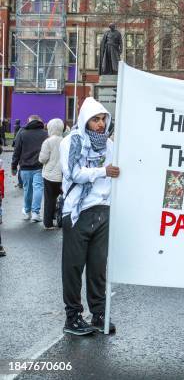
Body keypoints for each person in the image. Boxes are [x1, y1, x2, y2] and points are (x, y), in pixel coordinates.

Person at [60, 97, 120, 335]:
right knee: (73, 267)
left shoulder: (110, 145)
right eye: (95, 119)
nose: (100, 124)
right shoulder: (71, 141)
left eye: (103, 119)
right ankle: (72, 317)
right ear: (85, 120)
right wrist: (101, 171)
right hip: (77, 210)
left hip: (103, 210)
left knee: (98, 267)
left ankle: (98, 313)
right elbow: (73, 172)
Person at [11, 115, 47, 222]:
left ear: (29, 122)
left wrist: (14, 166)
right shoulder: (45, 134)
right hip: (39, 166)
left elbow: (17, 151)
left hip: (25, 167)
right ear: (39, 121)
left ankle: (27, 212)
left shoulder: (22, 133)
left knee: (27, 190)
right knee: (38, 188)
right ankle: (36, 213)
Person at [39, 118, 65, 230]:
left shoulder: (48, 142)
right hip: (63, 175)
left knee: (49, 199)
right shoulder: (66, 141)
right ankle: (61, 219)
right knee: (64, 198)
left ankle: (48, 223)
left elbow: (42, 159)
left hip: (49, 175)